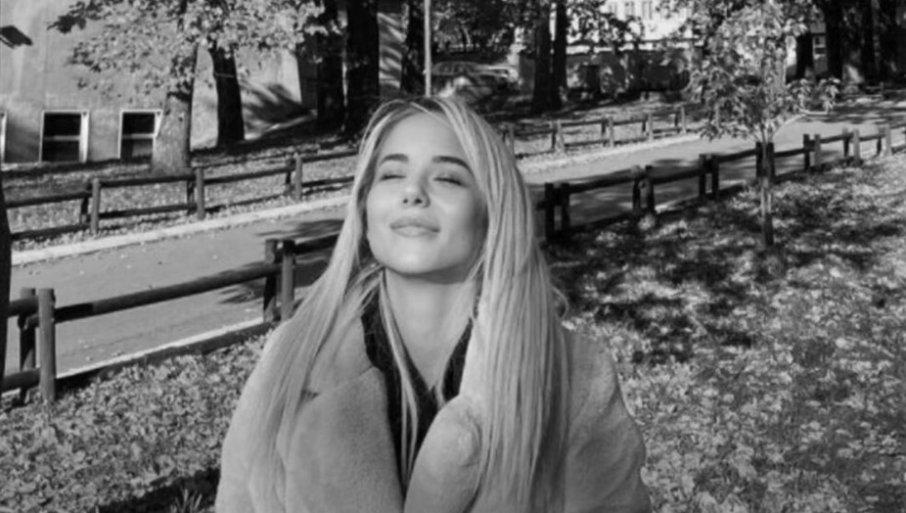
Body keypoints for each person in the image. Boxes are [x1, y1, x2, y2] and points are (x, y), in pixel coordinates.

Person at [215, 97, 651, 513]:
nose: (413, 192)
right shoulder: (293, 358)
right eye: (391, 174)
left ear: (491, 214)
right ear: (365, 208)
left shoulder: (572, 376)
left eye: (448, 178)